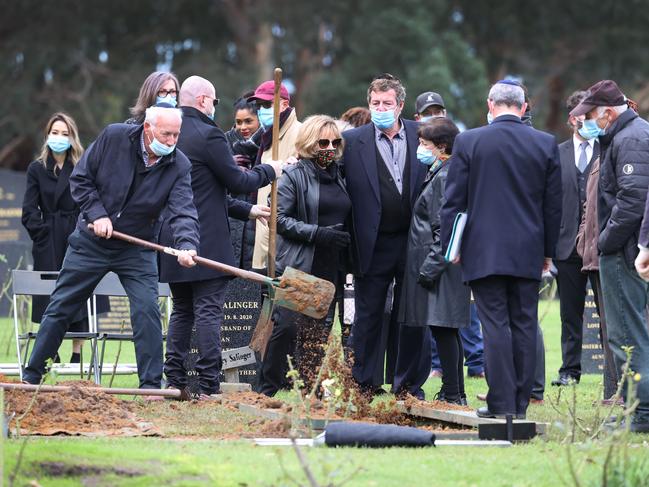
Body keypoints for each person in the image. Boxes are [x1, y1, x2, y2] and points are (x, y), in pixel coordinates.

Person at [22, 105, 200, 390]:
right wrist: (97, 214)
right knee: (61, 306)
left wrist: (187, 244)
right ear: (148, 128)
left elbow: (183, 211)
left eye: (176, 135)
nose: (171, 141)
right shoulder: (114, 137)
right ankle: (31, 377)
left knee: (146, 310)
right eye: (166, 134)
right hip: (91, 241)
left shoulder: (179, 165)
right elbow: (80, 179)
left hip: (136, 247)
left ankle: (151, 386)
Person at [441, 80, 562, 419]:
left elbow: (454, 202)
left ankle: (501, 403)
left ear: (490, 105)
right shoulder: (545, 143)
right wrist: (548, 252)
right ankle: (520, 405)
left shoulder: (469, 141)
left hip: (483, 248)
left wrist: (453, 246)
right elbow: (553, 206)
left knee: (494, 325)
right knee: (524, 323)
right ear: (523, 108)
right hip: (528, 248)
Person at [159, 76, 281, 398]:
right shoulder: (209, 134)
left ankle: (174, 381)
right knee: (209, 311)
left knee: (182, 311)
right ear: (203, 101)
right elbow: (237, 180)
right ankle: (209, 385)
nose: (215, 107)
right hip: (206, 239)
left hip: (173, 237)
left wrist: (247, 211)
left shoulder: (170, 132)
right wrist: (273, 170)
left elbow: (204, 191)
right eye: (214, 102)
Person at [340, 73, 427, 394]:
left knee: (411, 315)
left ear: (400, 105)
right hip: (371, 242)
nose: (380, 108)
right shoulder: (352, 142)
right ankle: (365, 381)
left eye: (386, 103)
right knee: (368, 314)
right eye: (375, 103)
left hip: (413, 241)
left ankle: (408, 385)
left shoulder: (423, 136)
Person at [571, 80, 649, 433]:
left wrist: (604, 241)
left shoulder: (630, 138)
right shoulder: (625, 134)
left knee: (627, 336)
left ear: (607, 112)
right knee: (627, 334)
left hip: (624, 250)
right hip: (626, 248)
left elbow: (632, 201)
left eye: (589, 115)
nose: (586, 122)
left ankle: (642, 414)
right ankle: (637, 409)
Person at [258, 115, 351, 396]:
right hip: (302, 263)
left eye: (335, 142)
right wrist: (317, 233)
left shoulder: (342, 175)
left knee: (319, 334)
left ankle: (311, 389)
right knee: (286, 327)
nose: (330, 148)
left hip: (334, 265)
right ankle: (267, 389)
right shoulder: (294, 175)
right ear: (310, 143)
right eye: (324, 142)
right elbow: (279, 218)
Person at [393, 118, 470, 403]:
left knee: (444, 329)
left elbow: (444, 228)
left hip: (439, 268)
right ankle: (455, 391)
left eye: (424, 144)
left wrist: (429, 269)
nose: (419, 148)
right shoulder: (440, 172)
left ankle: (452, 393)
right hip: (439, 265)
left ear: (442, 147)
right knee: (445, 329)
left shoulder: (445, 176)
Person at [21, 113, 105, 363]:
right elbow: (28, 210)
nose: (59, 138)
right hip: (48, 241)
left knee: (80, 290)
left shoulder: (82, 166)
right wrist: (42, 234)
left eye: (65, 133)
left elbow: (91, 200)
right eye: (55, 133)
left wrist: (84, 230)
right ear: (47, 135)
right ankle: (50, 351)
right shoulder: (36, 168)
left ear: (73, 137)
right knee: (50, 295)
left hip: (76, 235)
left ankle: (77, 352)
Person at [552, 91, 601, 387]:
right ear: (573, 119)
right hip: (566, 246)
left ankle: (614, 373)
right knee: (570, 313)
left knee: (609, 317)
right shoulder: (556, 154)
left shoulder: (608, 149)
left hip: (599, 246)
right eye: (585, 116)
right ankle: (569, 370)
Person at [249, 80, 302, 273]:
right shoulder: (267, 135)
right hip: (263, 225)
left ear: (284, 104)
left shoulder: (301, 134)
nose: (261, 110)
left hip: (284, 233)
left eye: (266, 105)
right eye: (259, 106)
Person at [224, 92, 264, 270]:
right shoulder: (224, 142)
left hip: (260, 223)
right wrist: (229, 166)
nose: (243, 127)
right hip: (231, 225)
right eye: (239, 122)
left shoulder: (269, 145)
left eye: (249, 121)